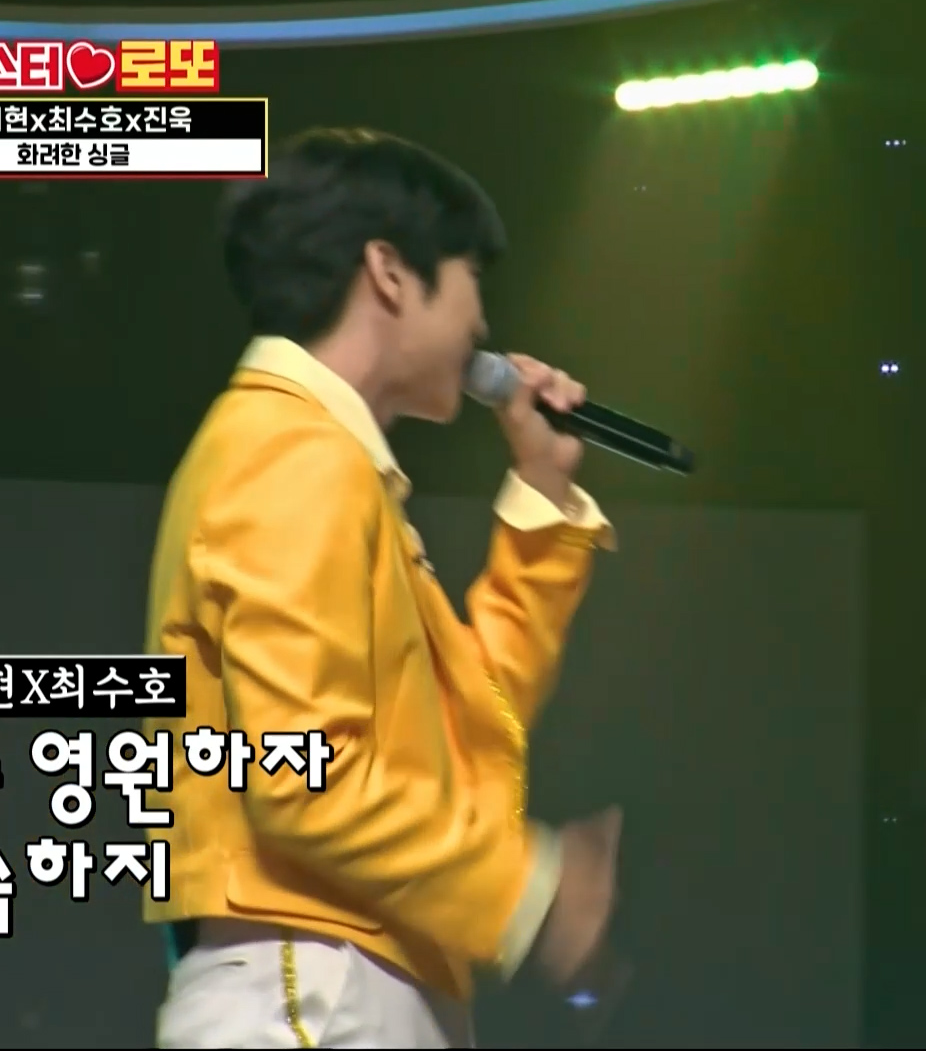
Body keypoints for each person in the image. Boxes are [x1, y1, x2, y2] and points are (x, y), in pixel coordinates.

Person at [143, 127, 623, 1048]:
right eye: (472, 277)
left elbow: (464, 724)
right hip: (312, 983)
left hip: (343, 979)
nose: (482, 325)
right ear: (391, 272)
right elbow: (305, 780)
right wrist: (529, 891)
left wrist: (543, 493)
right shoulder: (290, 453)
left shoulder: (321, 459)